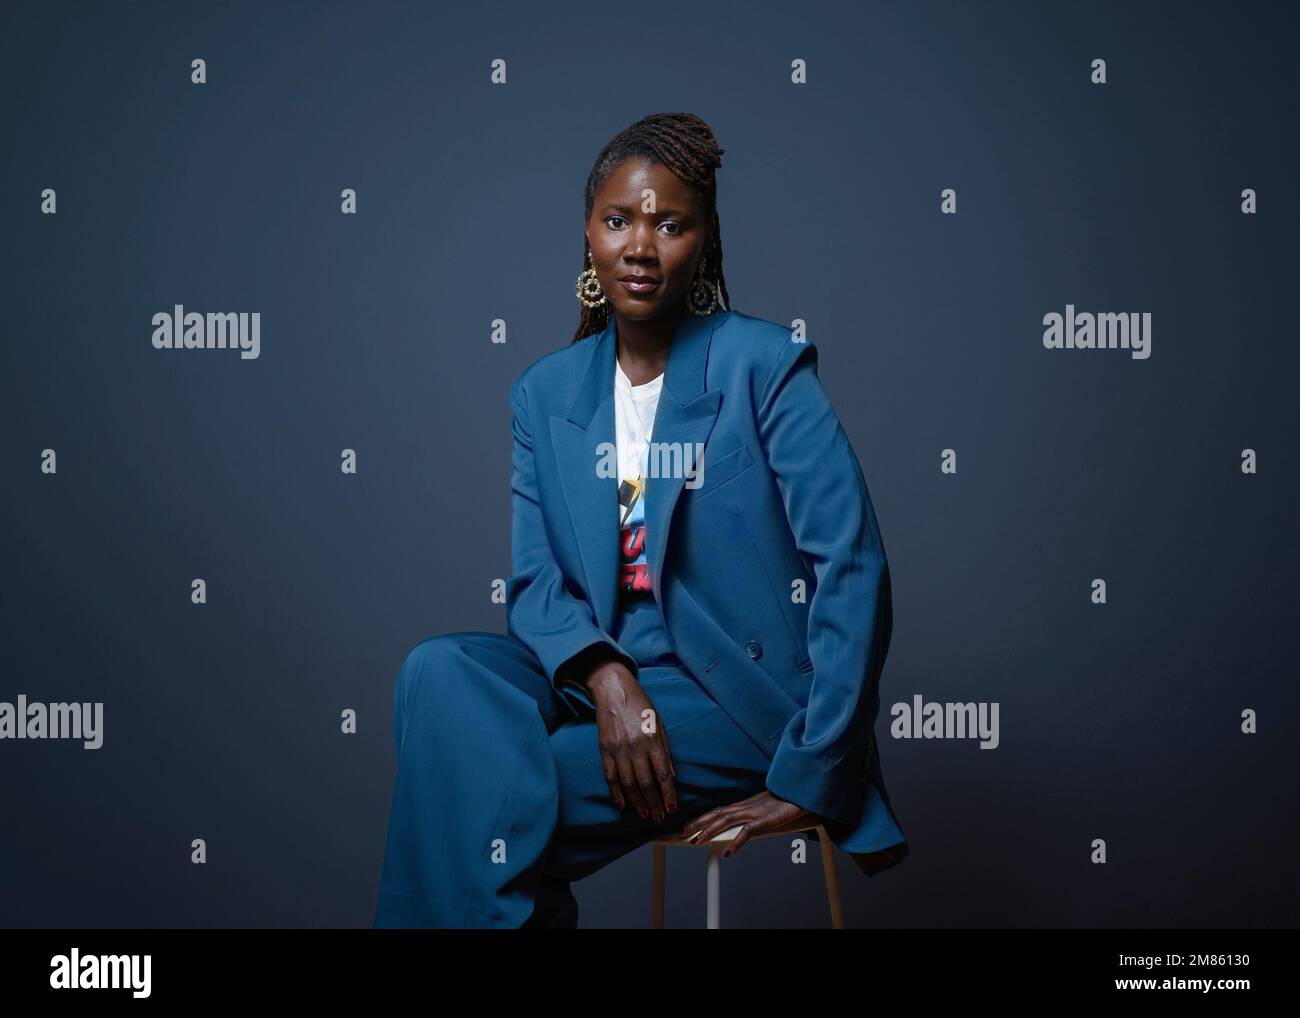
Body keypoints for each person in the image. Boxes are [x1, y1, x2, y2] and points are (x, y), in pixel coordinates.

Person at [373, 112, 908, 929]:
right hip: (601, 677)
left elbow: (852, 568)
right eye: (619, 220)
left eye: (669, 223)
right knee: (436, 673)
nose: (641, 246)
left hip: (734, 693)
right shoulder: (545, 394)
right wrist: (608, 678)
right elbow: (538, 586)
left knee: (490, 795)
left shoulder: (762, 367)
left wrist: (815, 766)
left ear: (703, 240)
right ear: (588, 234)